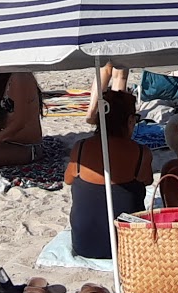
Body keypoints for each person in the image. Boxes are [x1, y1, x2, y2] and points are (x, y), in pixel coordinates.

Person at [64, 90, 153, 259]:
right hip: (128, 245)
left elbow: (68, 180)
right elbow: (147, 180)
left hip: (84, 244)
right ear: (129, 120)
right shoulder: (140, 152)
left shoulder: (81, 148)